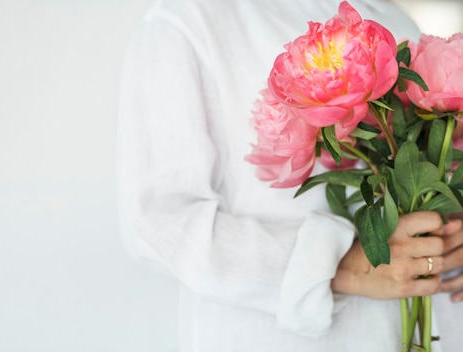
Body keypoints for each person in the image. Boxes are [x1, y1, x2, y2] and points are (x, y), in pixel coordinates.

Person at [116, 0, 463, 350]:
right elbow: (158, 221)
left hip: (434, 328)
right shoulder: (186, 23)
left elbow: (434, 168)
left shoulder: (391, 19)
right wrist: (344, 265)